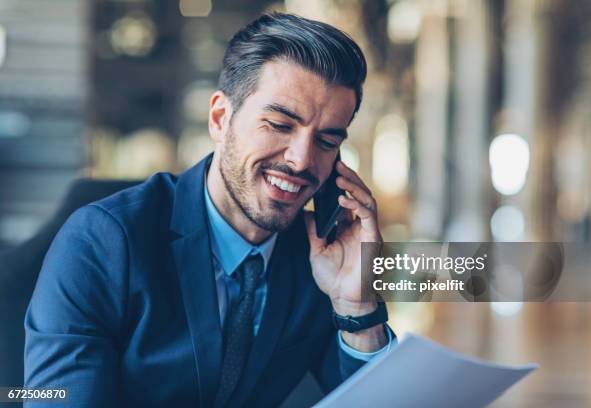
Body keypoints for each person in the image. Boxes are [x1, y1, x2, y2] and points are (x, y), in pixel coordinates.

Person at [24, 12, 393, 407]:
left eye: (325, 140)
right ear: (220, 119)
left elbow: (381, 399)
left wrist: (357, 307)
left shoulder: (320, 255)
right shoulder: (102, 241)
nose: (302, 161)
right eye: (279, 125)